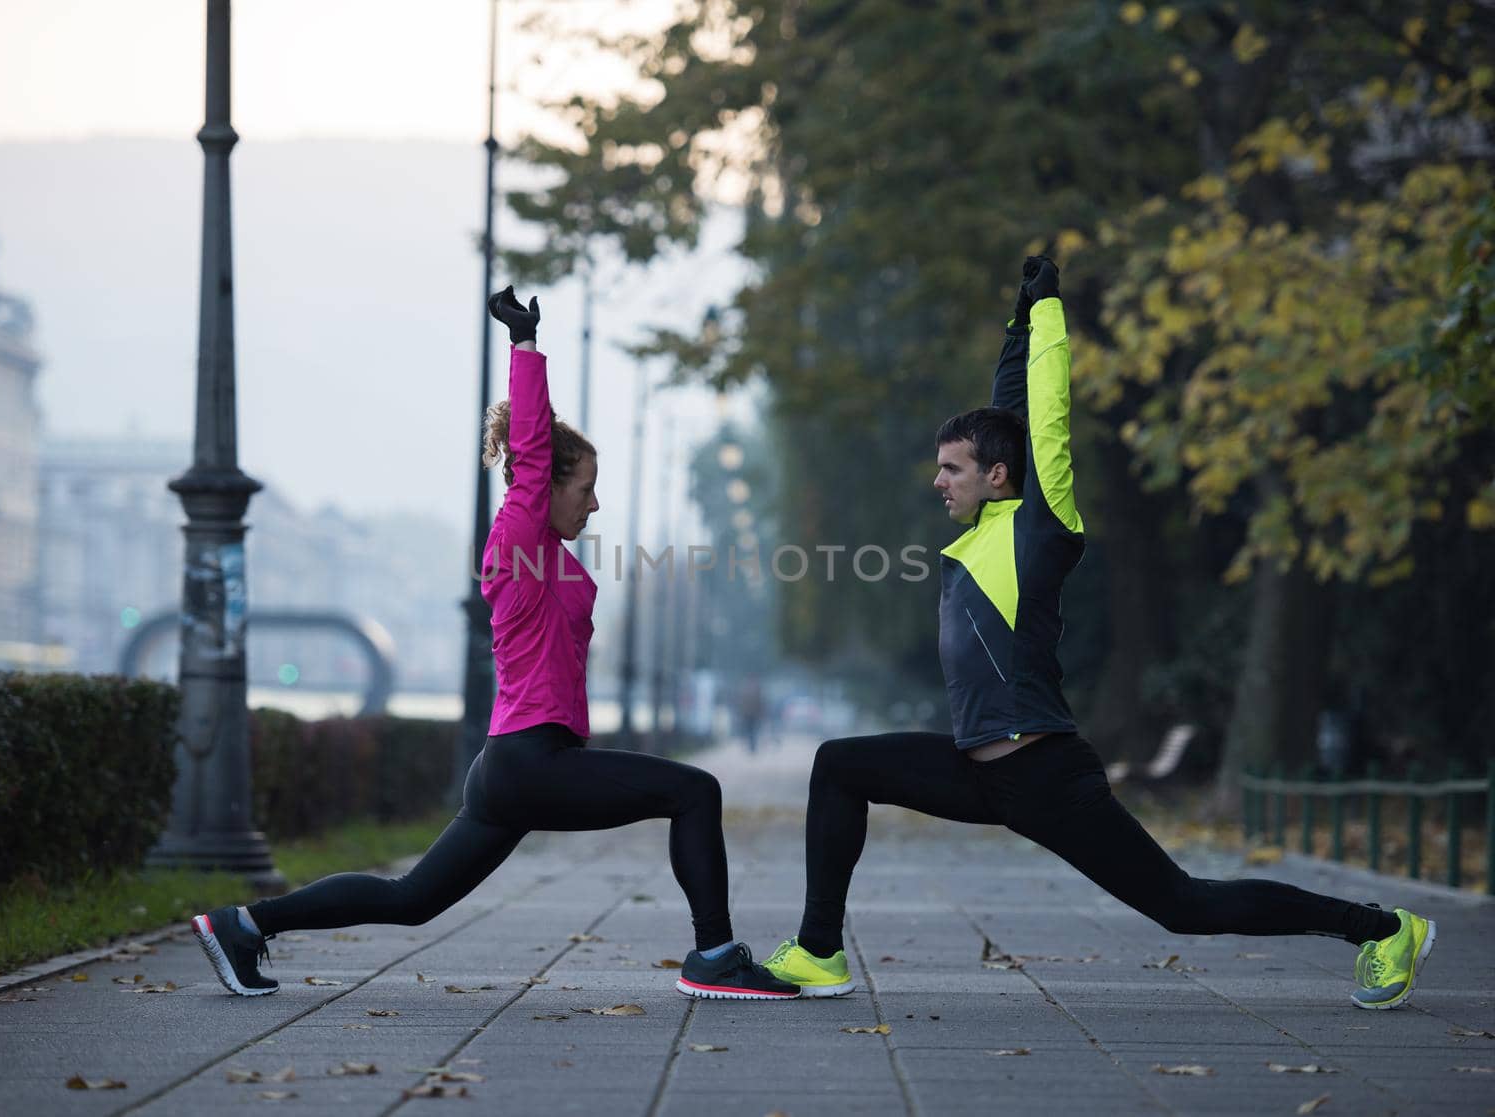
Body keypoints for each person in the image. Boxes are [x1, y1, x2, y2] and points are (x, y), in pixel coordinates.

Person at [762, 257, 1435, 1011]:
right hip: (977, 768)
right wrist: (1015, 326)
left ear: (999, 476)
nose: (938, 481)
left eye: (952, 468)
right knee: (841, 765)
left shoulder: (1037, 528)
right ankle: (819, 951)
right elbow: (1008, 409)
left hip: (1045, 774)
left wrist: (1047, 310)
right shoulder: (983, 533)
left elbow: (1040, 417)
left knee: (1185, 904)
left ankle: (1383, 927)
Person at [192, 287, 798, 1002]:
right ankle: (715, 955)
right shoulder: (517, 537)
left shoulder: (550, 558)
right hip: (527, 759)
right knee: (695, 790)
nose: (594, 504)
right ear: (541, 487)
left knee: (411, 898)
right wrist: (525, 348)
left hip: (518, 763)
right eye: (587, 488)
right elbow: (533, 454)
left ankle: (244, 924)